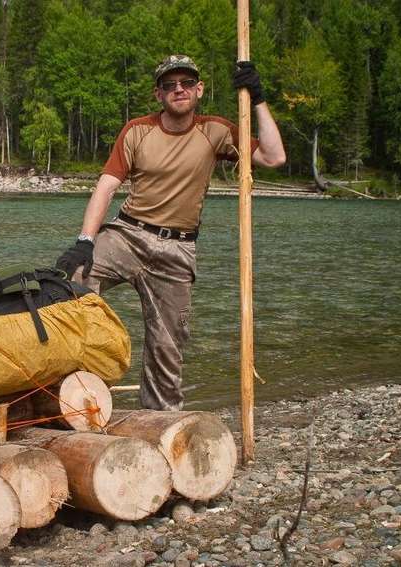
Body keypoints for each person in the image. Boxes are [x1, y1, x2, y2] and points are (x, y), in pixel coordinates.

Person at [55, 54, 286, 411]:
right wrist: (85, 240)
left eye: (186, 83)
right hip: (127, 235)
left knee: (168, 346)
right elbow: (106, 186)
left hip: (177, 249)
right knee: (68, 281)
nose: (179, 89)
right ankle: (70, 391)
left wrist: (257, 99)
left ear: (199, 89)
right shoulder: (137, 131)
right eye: (169, 85)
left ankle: (160, 420)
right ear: (158, 94)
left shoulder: (217, 131)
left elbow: (274, 157)